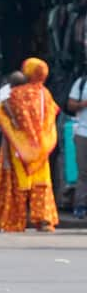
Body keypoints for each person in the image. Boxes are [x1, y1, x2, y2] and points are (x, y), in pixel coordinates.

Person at [0, 58, 60, 232]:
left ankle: (12, 221)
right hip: (41, 150)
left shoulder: (15, 95)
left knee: (13, 185)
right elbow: (52, 118)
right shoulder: (46, 95)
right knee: (42, 185)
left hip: (17, 149)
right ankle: (44, 220)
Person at [68, 74, 87, 219]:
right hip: (83, 132)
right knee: (83, 172)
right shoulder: (81, 82)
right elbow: (71, 105)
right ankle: (81, 205)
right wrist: (83, 104)